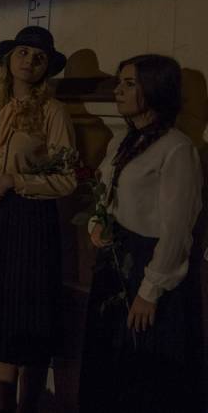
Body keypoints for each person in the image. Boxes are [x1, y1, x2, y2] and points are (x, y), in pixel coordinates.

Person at [79, 55, 203, 413]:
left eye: (129, 84)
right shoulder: (123, 142)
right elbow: (107, 192)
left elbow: (177, 228)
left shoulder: (177, 148)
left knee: (143, 368)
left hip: (148, 266)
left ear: (155, 88)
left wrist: (150, 291)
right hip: (115, 262)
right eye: (120, 82)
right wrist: (97, 222)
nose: (117, 90)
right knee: (108, 360)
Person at [0, 26, 76, 412]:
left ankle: (27, 404)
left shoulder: (53, 112)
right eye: (23, 52)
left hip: (30, 222)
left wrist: (16, 180)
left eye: (39, 57)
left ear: (47, 68)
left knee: (27, 312)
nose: (30, 61)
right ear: (9, 60)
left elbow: (67, 179)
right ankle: (3, 400)